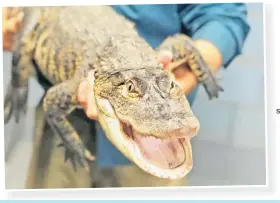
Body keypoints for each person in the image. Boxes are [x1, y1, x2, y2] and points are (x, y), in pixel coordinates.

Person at [3, 4, 250, 188]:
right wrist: (19, 83)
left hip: (153, 144)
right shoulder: (78, 85)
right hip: (65, 128)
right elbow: (53, 103)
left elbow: (219, 19)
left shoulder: (163, 58)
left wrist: (199, 72)